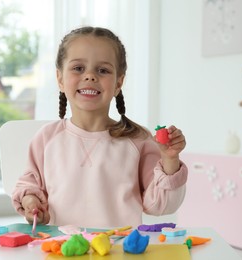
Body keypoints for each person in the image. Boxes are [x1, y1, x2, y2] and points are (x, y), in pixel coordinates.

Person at [12, 26, 188, 228]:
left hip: (120, 250)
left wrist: (170, 160)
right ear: (60, 78)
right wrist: (31, 202)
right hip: (61, 251)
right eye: (78, 68)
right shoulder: (46, 138)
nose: (90, 76)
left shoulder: (138, 140)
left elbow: (162, 206)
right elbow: (29, 184)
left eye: (103, 70)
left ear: (118, 83)